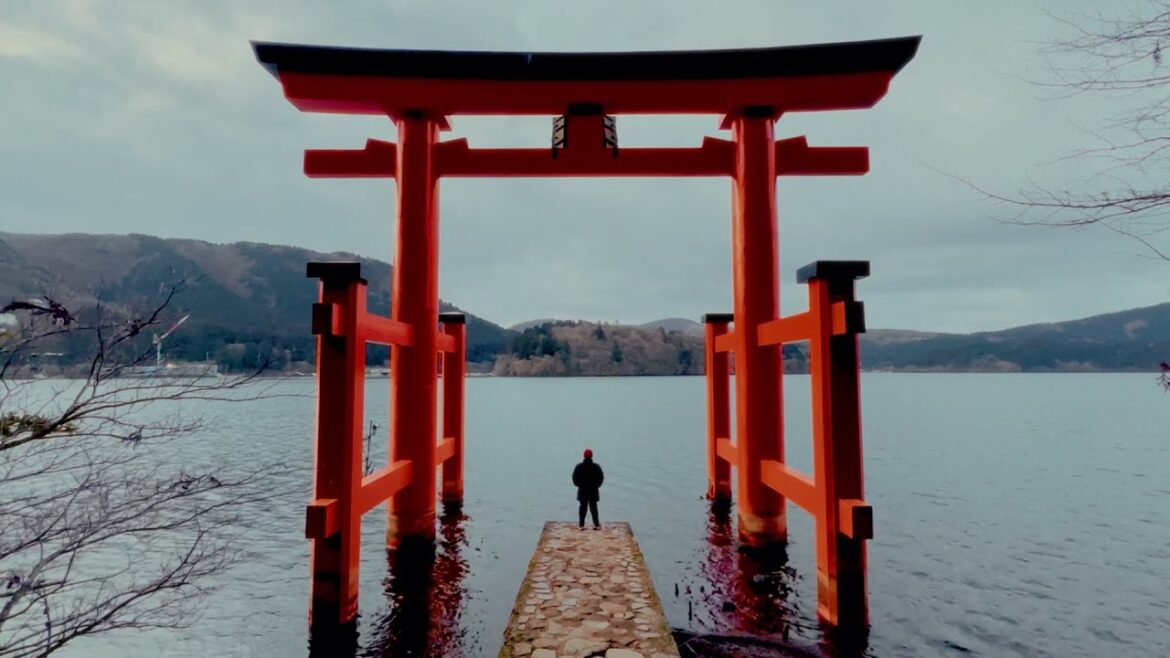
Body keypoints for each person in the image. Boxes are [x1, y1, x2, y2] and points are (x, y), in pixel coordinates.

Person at [572, 448, 604, 529]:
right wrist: (596, 485)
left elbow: (574, 479)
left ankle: (581, 524)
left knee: (583, 507)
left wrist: (579, 485)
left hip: (583, 491)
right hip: (593, 491)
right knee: (594, 507)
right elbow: (601, 478)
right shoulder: (596, 467)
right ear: (592, 456)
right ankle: (596, 524)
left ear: (584, 456)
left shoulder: (579, 467)